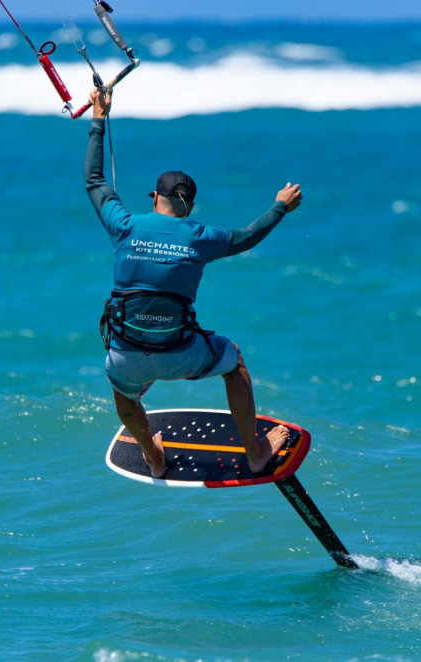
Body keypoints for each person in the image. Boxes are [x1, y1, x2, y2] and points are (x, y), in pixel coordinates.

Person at [85, 88, 303, 479]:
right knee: (232, 360)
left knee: (124, 387)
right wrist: (280, 207)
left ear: (155, 198)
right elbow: (248, 236)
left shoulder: (125, 224)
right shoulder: (201, 236)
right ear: (190, 206)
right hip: (181, 354)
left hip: (127, 356)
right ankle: (254, 453)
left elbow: (94, 179)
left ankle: (153, 457)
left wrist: (99, 117)